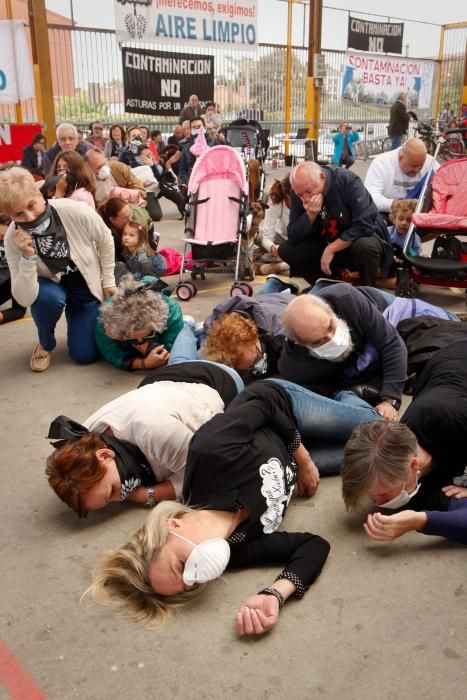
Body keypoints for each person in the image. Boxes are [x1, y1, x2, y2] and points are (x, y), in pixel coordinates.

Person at [86, 377, 334, 633]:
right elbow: (313, 545)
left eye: (182, 565)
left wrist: (303, 461)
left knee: (369, 423)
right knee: (359, 452)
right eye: (190, 584)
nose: (199, 575)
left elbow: (264, 405)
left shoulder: (210, 454)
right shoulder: (236, 550)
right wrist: (275, 594)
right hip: (300, 461)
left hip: (285, 409)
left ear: (173, 525)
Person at [45, 359, 240, 516]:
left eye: (112, 491)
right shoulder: (82, 442)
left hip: (216, 382)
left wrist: (149, 495)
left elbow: (203, 475)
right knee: (181, 357)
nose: (121, 499)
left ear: (104, 455)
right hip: (159, 382)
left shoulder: (155, 431)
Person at [341, 340, 467, 546]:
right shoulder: (413, 487)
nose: (378, 504)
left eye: (383, 494)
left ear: (414, 465)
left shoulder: (453, 421)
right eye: (373, 497)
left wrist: (420, 522)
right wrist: (422, 516)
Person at [0, 167, 116, 371]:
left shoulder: (72, 210)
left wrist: (108, 281)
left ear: (39, 194)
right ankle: (45, 343)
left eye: (31, 205)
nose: (29, 217)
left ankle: (80, 322)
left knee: (84, 356)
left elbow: (105, 238)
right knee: (47, 298)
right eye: (19, 213)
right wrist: (27, 257)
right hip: (51, 288)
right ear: (9, 215)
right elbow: (24, 298)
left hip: (85, 286)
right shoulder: (12, 239)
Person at [278, 284, 407, 421]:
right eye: (318, 341)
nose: (332, 339)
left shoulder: (347, 298)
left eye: (330, 326)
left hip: (381, 305)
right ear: (301, 343)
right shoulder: (295, 369)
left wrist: (390, 400)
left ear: (329, 310)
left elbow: (392, 343)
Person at [280, 162, 393, 287]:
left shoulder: (347, 180)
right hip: (327, 240)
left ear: (322, 177)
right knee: (286, 250)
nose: (305, 199)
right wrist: (310, 216)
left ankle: (367, 290)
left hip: (356, 241)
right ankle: (328, 282)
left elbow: (364, 224)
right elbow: (293, 235)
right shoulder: (299, 190)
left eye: (308, 191)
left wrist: (332, 248)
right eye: (300, 195)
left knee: (365, 247)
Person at [94, 275, 183, 372]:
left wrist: (160, 352)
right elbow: (110, 352)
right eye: (130, 336)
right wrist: (143, 364)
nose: (140, 343)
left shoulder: (172, 311)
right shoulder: (108, 317)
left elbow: (171, 346)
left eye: (148, 335)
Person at [202, 292, 293, 380]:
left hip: (287, 302)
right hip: (264, 300)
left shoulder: (284, 336)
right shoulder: (214, 331)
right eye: (246, 370)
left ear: (256, 333)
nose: (257, 369)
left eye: (257, 359)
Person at [364, 139, 439, 215]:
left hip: (421, 214)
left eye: (421, 166)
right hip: (388, 212)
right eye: (414, 166)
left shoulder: (431, 163)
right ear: (400, 158)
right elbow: (370, 198)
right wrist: (398, 204)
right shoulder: (381, 163)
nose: (417, 170)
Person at [135, 145, 186, 219]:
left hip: (150, 192)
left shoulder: (157, 167)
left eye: (151, 154)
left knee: (156, 215)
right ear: (140, 156)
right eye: (148, 155)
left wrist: (152, 165)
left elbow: (159, 179)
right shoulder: (134, 164)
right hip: (135, 191)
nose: (151, 157)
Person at [99, 196, 155, 262]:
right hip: (117, 234)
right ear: (112, 219)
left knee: (142, 257)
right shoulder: (101, 223)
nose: (130, 219)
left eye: (130, 215)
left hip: (145, 230)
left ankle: (153, 241)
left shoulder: (138, 221)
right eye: (125, 218)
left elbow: (141, 245)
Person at [255, 175, 291, 275]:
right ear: (287, 196)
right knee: (257, 236)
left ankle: (276, 266)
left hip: (298, 243)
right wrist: (272, 247)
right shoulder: (277, 201)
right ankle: (279, 259)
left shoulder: (308, 200)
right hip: (280, 238)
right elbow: (267, 236)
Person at [179, 117, 222, 186]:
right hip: (193, 186)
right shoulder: (186, 149)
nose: (197, 129)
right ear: (191, 130)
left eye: (199, 126)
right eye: (194, 127)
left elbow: (221, 163)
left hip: (212, 183)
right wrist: (188, 182)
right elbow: (182, 171)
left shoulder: (214, 144)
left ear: (204, 127)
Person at [0, 214, 26, 324]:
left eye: (3, 237)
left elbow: (18, 310)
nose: (2, 240)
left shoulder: (22, 251)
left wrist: (1, 316)